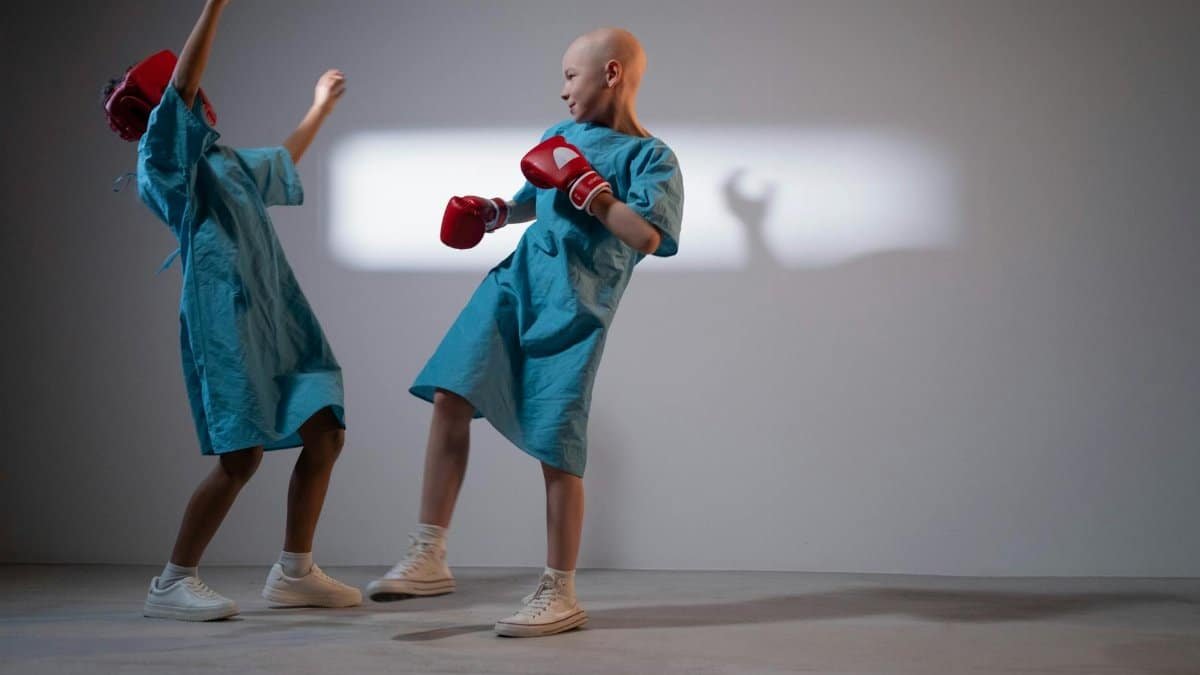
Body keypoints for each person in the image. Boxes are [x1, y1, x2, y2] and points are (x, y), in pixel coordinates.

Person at [368, 27, 684, 638]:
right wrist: (493, 213)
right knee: (451, 390)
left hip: (576, 309)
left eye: (571, 75)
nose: (561, 89)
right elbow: (530, 202)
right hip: (514, 285)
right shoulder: (556, 137)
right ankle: (429, 550)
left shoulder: (653, 158)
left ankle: (558, 590)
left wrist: (589, 190)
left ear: (611, 74)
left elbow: (647, 236)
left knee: (556, 446)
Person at [102, 0, 359, 621]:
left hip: (277, 310)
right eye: (175, 96)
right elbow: (182, 85)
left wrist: (320, 107)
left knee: (325, 429)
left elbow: (281, 160)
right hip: (225, 315)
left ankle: (295, 571)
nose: (194, 96)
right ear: (154, 112)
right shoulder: (162, 161)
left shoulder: (224, 160)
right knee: (240, 457)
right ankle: (171, 582)